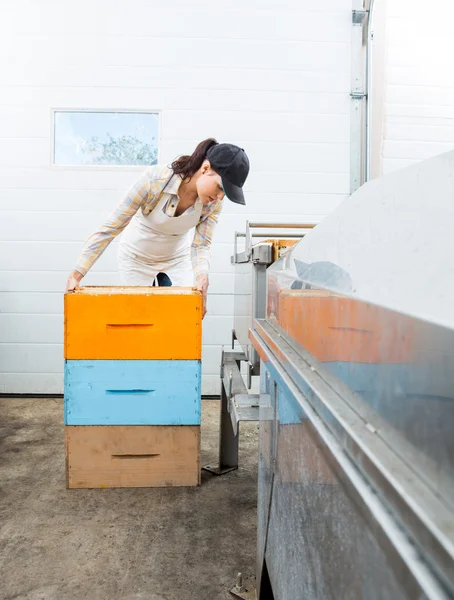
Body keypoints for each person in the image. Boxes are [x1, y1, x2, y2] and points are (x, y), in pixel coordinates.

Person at [65, 138, 250, 317]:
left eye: (225, 193)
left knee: (178, 318)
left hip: (176, 259)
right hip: (136, 258)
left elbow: (201, 245)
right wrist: (77, 274)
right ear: (206, 168)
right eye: (220, 188)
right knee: (139, 318)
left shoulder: (213, 204)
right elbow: (111, 227)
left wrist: (202, 278)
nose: (220, 197)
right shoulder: (154, 180)